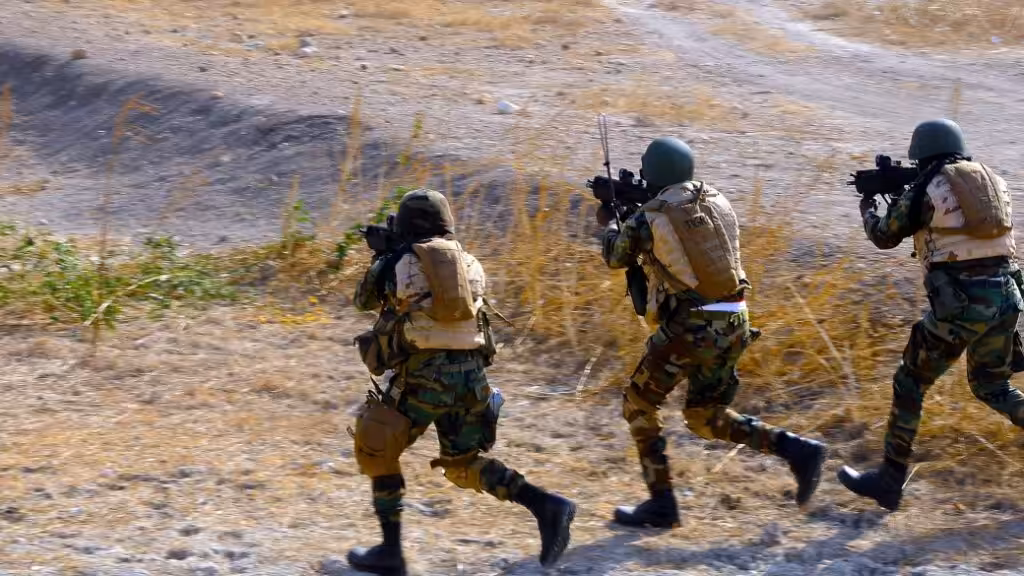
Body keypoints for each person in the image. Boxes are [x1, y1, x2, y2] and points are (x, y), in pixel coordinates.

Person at [598, 137, 827, 528]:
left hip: (693, 326)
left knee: (638, 405)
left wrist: (610, 225)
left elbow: (616, 256)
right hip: (735, 318)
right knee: (704, 416)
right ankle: (799, 451)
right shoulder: (718, 200)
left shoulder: (649, 215)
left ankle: (662, 504)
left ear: (652, 173)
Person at [347, 188, 576, 575]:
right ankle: (547, 506)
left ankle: (390, 551)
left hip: (424, 377)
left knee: (376, 447)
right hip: (471, 379)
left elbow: (363, 300)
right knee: (462, 463)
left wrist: (382, 256)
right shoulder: (470, 262)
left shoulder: (398, 262)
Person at [839, 119, 1024, 511]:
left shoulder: (929, 184)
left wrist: (868, 209)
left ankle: (889, 482)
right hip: (1007, 297)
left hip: (961, 303)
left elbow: (885, 236)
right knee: (993, 388)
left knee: (910, 383)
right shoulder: (992, 180)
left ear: (921, 155)